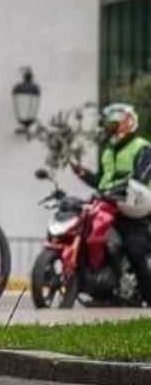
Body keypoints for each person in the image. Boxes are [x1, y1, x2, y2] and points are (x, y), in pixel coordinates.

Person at [72, 103, 151, 306]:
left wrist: (125, 187)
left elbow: (141, 176)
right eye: (110, 118)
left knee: (135, 249)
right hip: (106, 204)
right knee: (86, 235)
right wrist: (83, 174)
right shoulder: (108, 150)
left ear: (130, 122)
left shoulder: (141, 146)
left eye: (119, 118)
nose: (113, 122)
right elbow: (102, 181)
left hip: (132, 207)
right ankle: (98, 287)